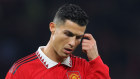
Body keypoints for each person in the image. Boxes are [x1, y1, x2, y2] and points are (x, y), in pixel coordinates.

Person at [5, 4, 111, 79]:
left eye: (78, 37)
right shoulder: (22, 70)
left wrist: (95, 59)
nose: (72, 43)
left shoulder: (84, 67)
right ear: (53, 28)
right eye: (68, 34)